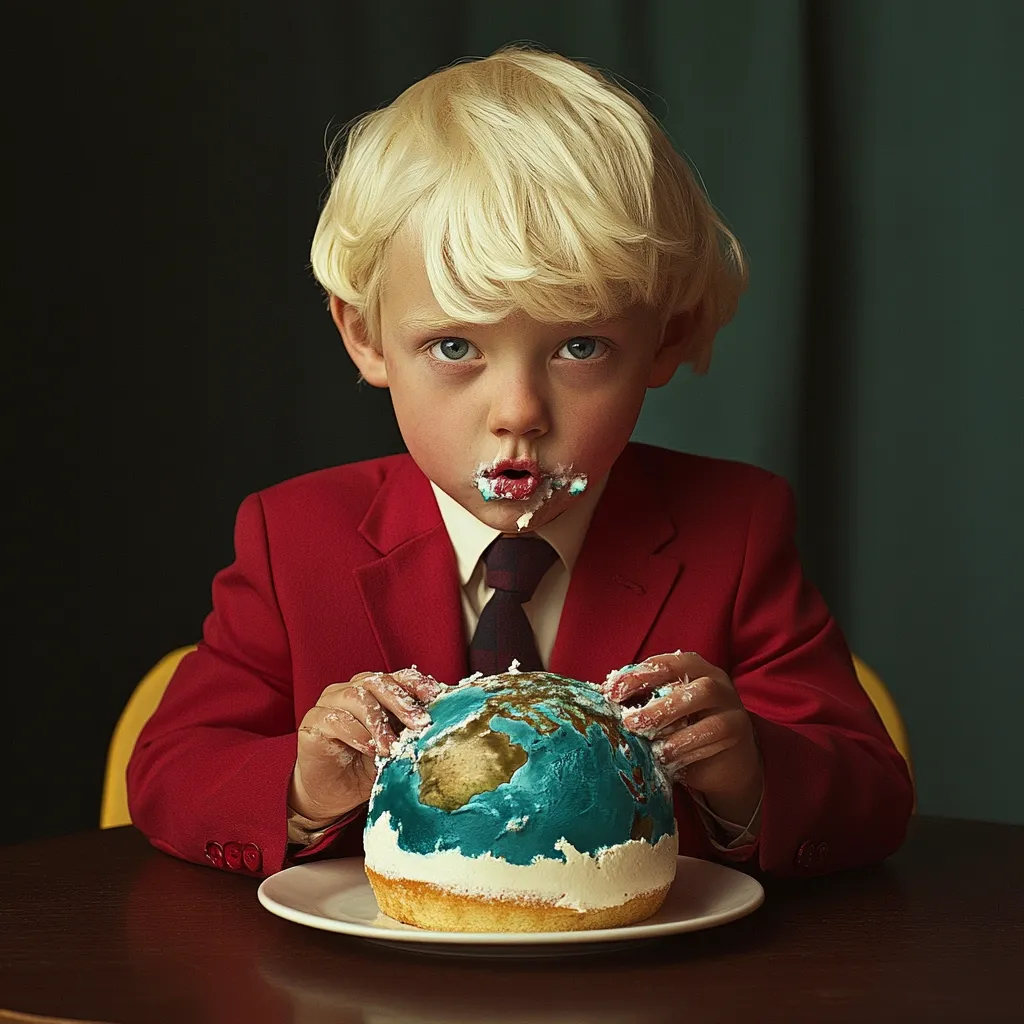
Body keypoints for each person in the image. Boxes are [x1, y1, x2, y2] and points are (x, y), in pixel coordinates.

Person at [127, 45, 912, 879]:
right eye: (455, 345)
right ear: (366, 336)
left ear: (666, 337)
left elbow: (869, 796)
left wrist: (747, 776)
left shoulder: (735, 529)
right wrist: (302, 786)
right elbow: (170, 773)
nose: (518, 413)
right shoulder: (295, 539)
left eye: (581, 346)